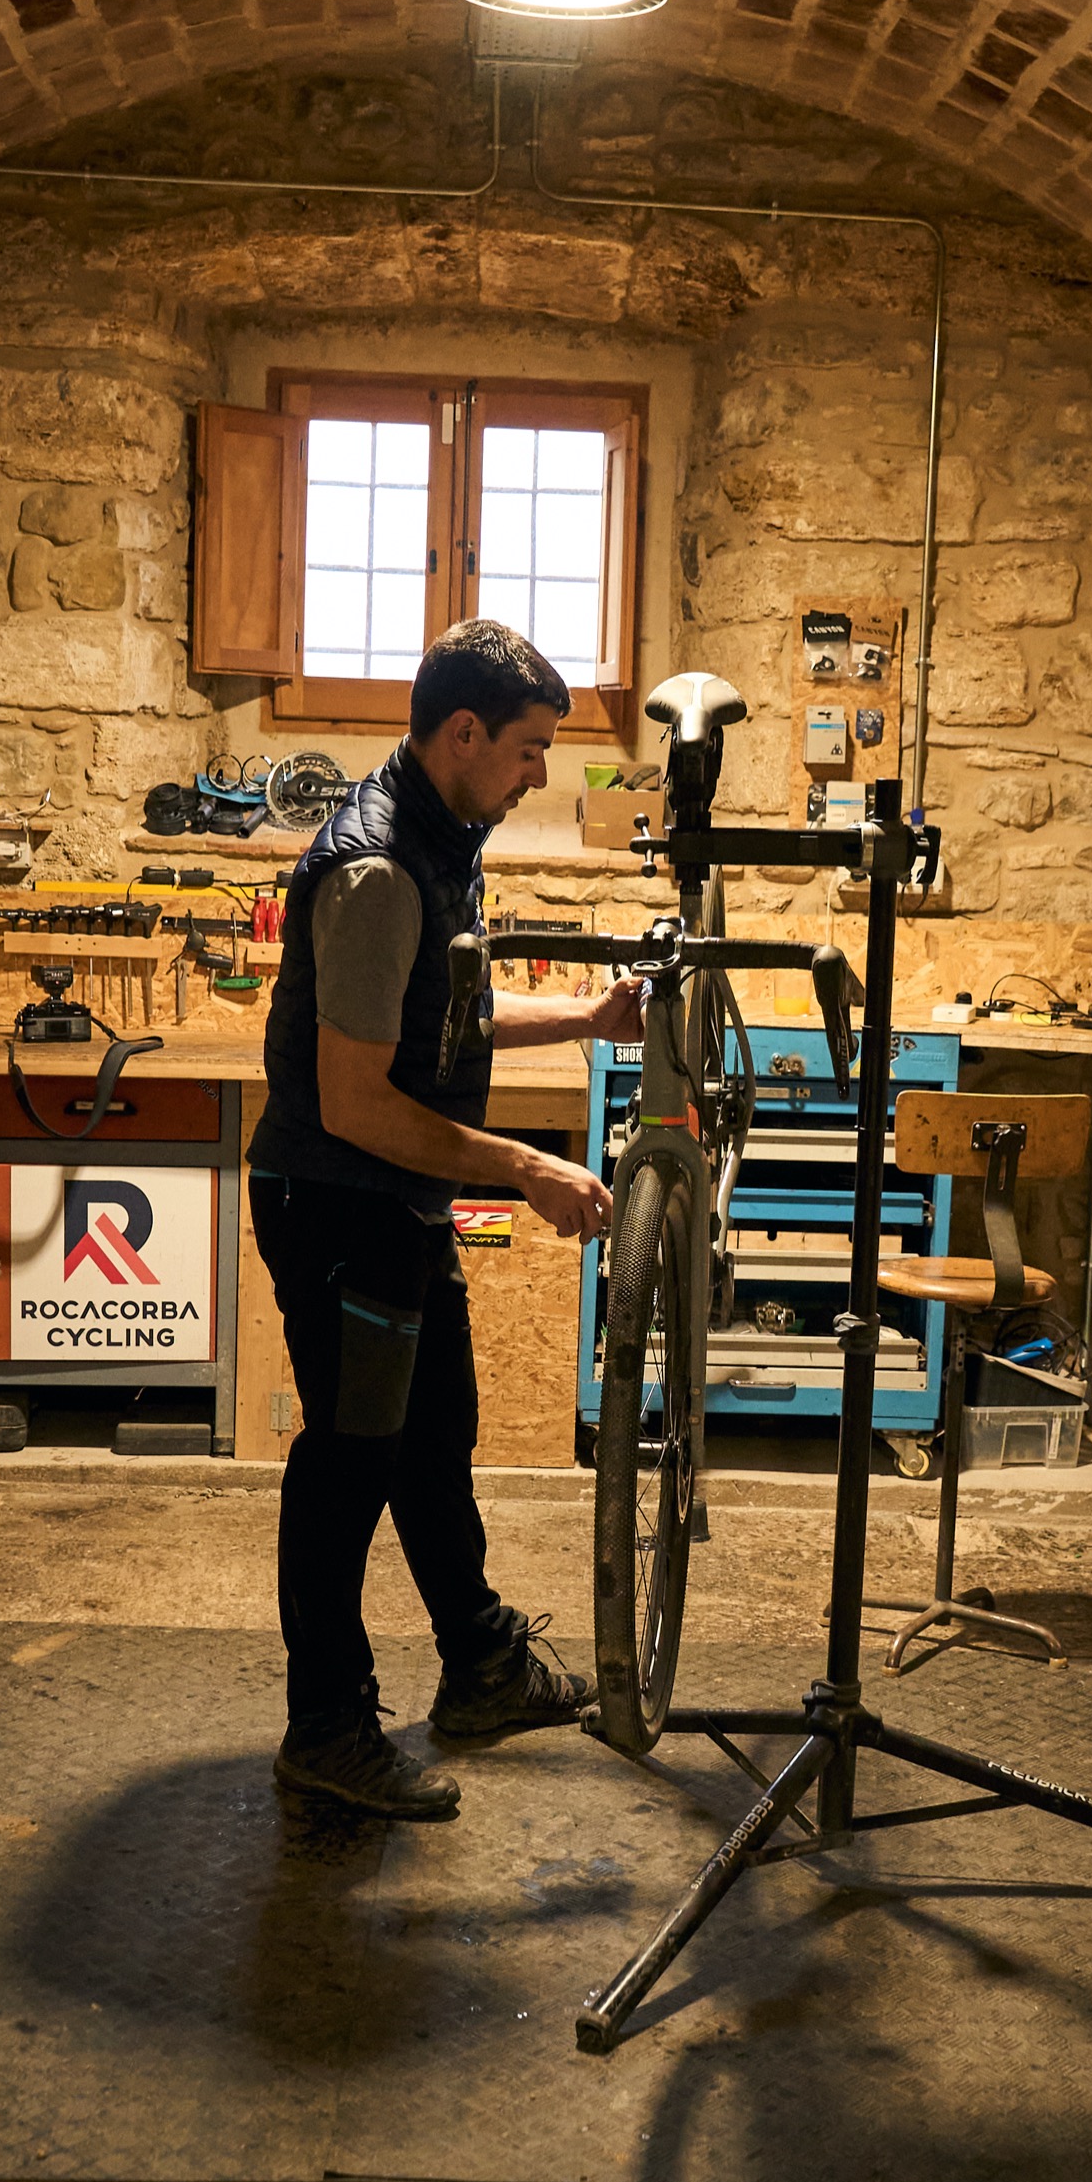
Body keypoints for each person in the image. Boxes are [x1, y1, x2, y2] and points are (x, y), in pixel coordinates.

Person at [248, 619, 642, 1819]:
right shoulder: (374, 872)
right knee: (349, 1465)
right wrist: (525, 1166)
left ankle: (478, 1666)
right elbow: (358, 1101)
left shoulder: (441, 830)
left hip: (395, 1200)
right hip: (340, 1202)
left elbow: (442, 1014)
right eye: (528, 749)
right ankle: (324, 1725)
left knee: (433, 1438)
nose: (540, 774)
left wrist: (582, 1015)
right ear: (461, 733)